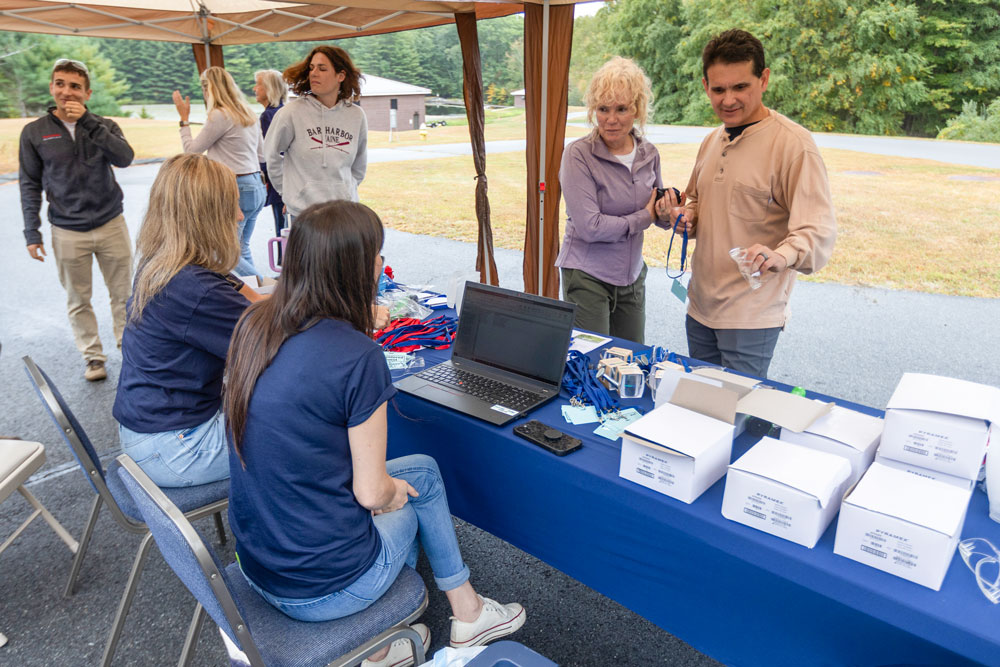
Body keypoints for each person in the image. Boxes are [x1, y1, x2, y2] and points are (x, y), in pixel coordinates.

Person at [224, 201, 525, 667]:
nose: (382, 264)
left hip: (257, 568)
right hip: (325, 590)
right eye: (377, 255)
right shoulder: (357, 355)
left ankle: (398, 639)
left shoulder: (253, 325)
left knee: (420, 470)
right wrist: (390, 493)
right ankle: (444, 620)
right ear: (362, 268)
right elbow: (370, 493)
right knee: (412, 489)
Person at [672, 29, 836, 378]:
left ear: (763, 80)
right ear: (705, 87)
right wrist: (686, 216)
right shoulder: (711, 140)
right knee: (701, 410)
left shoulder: (793, 145)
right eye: (718, 89)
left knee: (739, 417)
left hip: (751, 315)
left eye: (740, 87)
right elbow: (697, 200)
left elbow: (816, 230)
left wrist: (782, 255)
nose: (727, 100)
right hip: (699, 307)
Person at [112, 154, 264, 487]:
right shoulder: (195, 290)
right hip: (175, 447)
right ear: (206, 216)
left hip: (151, 431)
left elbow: (255, 301)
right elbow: (276, 344)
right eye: (232, 207)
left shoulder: (169, 265)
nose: (240, 216)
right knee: (312, 433)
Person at [19, 58, 134, 382]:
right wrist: (32, 231)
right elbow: (29, 183)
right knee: (77, 299)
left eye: (74, 86)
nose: (66, 91)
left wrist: (89, 124)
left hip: (111, 223)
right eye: (60, 84)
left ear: (87, 93)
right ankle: (93, 358)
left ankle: (131, 351)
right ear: (52, 87)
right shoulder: (34, 132)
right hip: (67, 230)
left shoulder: (104, 125)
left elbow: (124, 158)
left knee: (124, 294)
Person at [555, 57, 681, 344]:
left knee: (631, 361)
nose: (611, 119)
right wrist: (646, 217)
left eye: (621, 109)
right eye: (603, 109)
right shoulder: (577, 155)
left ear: (637, 109)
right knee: (592, 364)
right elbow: (590, 227)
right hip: (587, 276)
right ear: (593, 110)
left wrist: (666, 211)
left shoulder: (649, 153)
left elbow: (656, 211)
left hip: (632, 277)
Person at [173, 67, 265, 279]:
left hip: (235, 188)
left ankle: (269, 296)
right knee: (241, 250)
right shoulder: (248, 113)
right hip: (256, 184)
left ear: (208, 89)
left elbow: (191, 152)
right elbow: (262, 155)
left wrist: (184, 120)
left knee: (224, 255)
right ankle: (258, 295)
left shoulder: (220, 115)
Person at [263, 45, 368, 220]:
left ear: (340, 76)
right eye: (311, 68)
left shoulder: (356, 116)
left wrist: (346, 190)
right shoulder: (291, 113)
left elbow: (359, 165)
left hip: (345, 212)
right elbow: (271, 155)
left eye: (322, 68)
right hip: (303, 213)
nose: (314, 73)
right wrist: (289, 194)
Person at [253, 69, 287, 247]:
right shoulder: (285, 111)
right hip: (289, 175)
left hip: (278, 178)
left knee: (282, 226)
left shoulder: (268, 116)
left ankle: (283, 263)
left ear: (268, 88)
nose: (254, 88)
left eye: (258, 84)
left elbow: (268, 153)